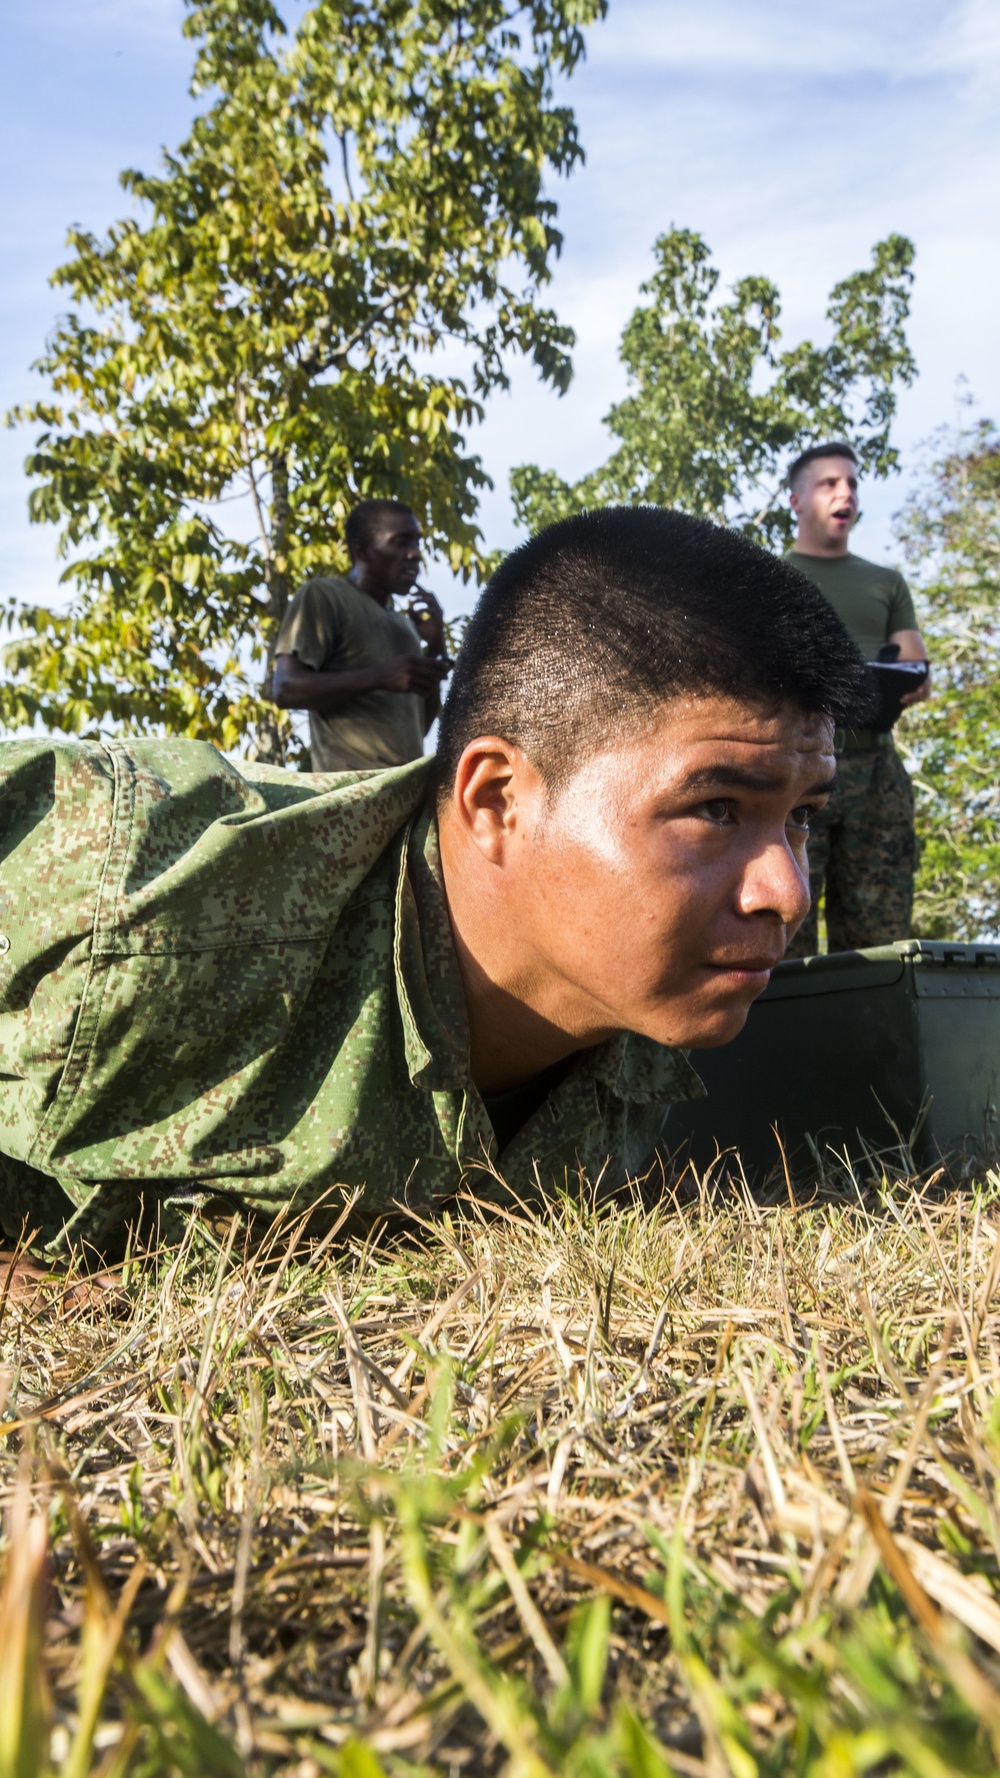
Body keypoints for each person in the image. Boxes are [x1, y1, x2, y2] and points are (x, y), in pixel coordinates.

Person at [0, 508, 872, 1259]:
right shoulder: (144, 875)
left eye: (803, 817)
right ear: (498, 800)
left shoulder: (653, 1029)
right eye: (717, 809)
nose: (787, 894)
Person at [784, 442, 930, 958]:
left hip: (875, 769)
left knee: (880, 935)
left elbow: (914, 664)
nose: (844, 492)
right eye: (829, 483)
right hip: (797, 768)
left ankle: (869, 1036)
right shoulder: (774, 578)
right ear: (797, 499)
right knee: (785, 926)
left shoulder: (886, 581)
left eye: (851, 483)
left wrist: (909, 679)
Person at [271, 499, 451, 771]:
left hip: (405, 797)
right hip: (349, 800)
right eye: (401, 542)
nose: (415, 554)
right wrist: (379, 677)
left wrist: (436, 647)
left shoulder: (404, 626)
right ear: (363, 550)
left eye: (416, 543)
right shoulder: (324, 596)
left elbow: (420, 728)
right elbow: (285, 688)